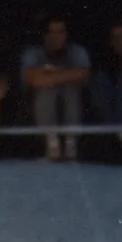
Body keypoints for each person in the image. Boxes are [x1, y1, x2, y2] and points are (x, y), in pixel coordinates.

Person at [21, 14, 90, 160]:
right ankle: (51, 141)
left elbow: (84, 75)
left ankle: (71, 141)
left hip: (73, 103)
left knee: (68, 87)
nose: (56, 36)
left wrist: (50, 73)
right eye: (51, 32)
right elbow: (33, 80)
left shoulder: (77, 51)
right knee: (48, 88)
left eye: (60, 32)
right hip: (37, 107)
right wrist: (67, 73)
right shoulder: (33, 53)